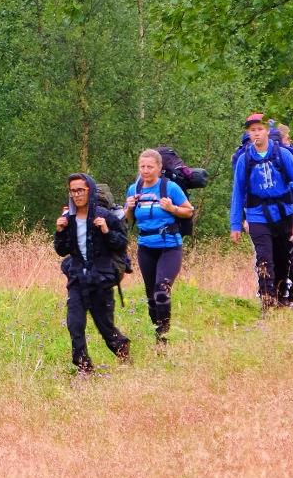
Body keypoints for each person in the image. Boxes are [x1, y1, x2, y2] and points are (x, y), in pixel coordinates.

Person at [230, 114, 293, 310]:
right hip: (257, 214)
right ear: (248, 133)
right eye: (252, 130)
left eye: (260, 129)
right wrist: (235, 223)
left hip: (284, 213)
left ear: (267, 131)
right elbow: (238, 192)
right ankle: (268, 303)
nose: (256, 133)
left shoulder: (282, 155)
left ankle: (281, 299)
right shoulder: (245, 160)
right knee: (264, 259)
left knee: (282, 259)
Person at [53, 174, 131, 372]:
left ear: (90, 191)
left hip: (101, 279)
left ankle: (122, 348)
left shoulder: (105, 216)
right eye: (73, 191)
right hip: (77, 278)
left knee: (105, 327)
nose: (77, 194)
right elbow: (62, 250)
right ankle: (84, 367)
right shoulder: (68, 219)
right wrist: (60, 231)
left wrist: (106, 231)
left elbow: (121, 244)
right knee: (74, 323)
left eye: (81, 190)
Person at [118, 149, 195, 344]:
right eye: (142, 167)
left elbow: (188, 211)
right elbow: (128, 220)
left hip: (170, 245)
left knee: (162, 288)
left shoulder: (170, 188)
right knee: (151, 296)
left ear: (159, 168)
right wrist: (128, 209)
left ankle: (164, 336)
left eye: (150, 167)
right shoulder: (133, 189)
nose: (145, 170)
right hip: (145, 246)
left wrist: (172, 208)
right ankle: (158, 330)